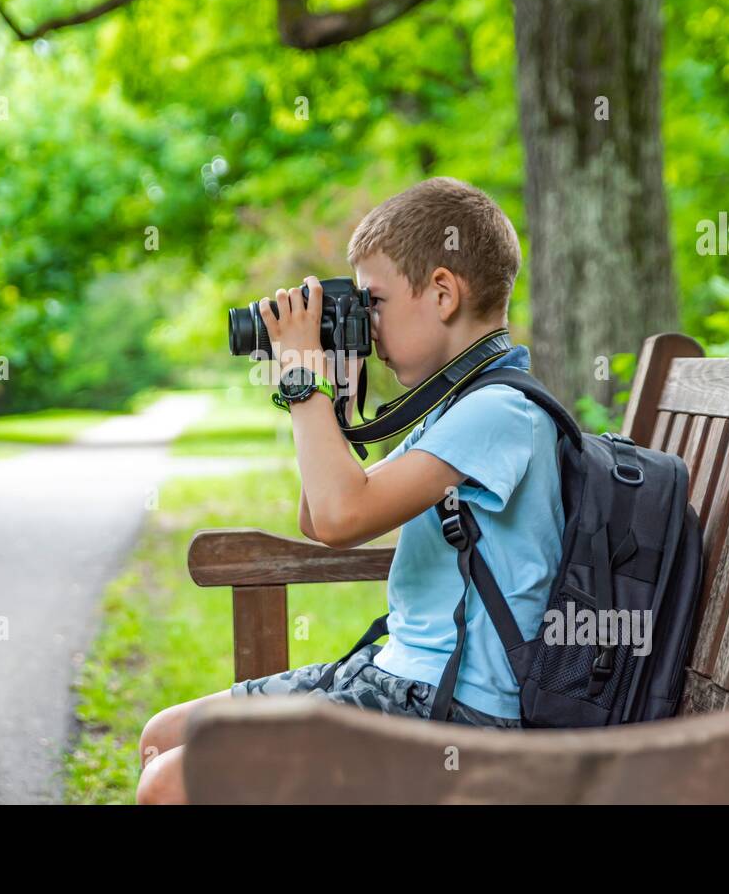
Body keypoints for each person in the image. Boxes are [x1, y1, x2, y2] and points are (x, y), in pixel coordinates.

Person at [135, 177, 564, 804]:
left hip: (457, 712)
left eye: (374, 302)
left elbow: (340, 518)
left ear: (443, 293)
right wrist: (330, 397)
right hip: (398, 676)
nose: (364, 322)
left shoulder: (500, 412)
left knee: (172, 783)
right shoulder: (450, 409)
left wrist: (300, 377)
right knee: (161, 736)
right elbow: (321, 516)